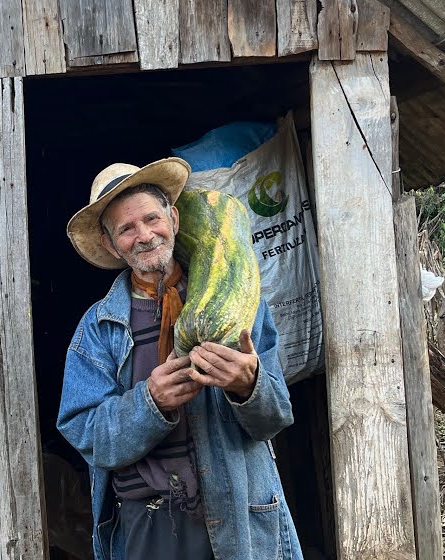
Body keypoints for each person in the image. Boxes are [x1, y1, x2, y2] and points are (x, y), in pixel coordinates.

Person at [57, 158, 302, 560]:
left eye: (152, 219)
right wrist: (149, 403)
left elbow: (276, 417)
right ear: (110, 244)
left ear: (172, 218)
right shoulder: (97, 330)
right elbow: (85, 433)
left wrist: (248, 385)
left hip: (241, 517)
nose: (144, 235)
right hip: (149, 528)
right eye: (126, 229)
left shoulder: (237, 303)